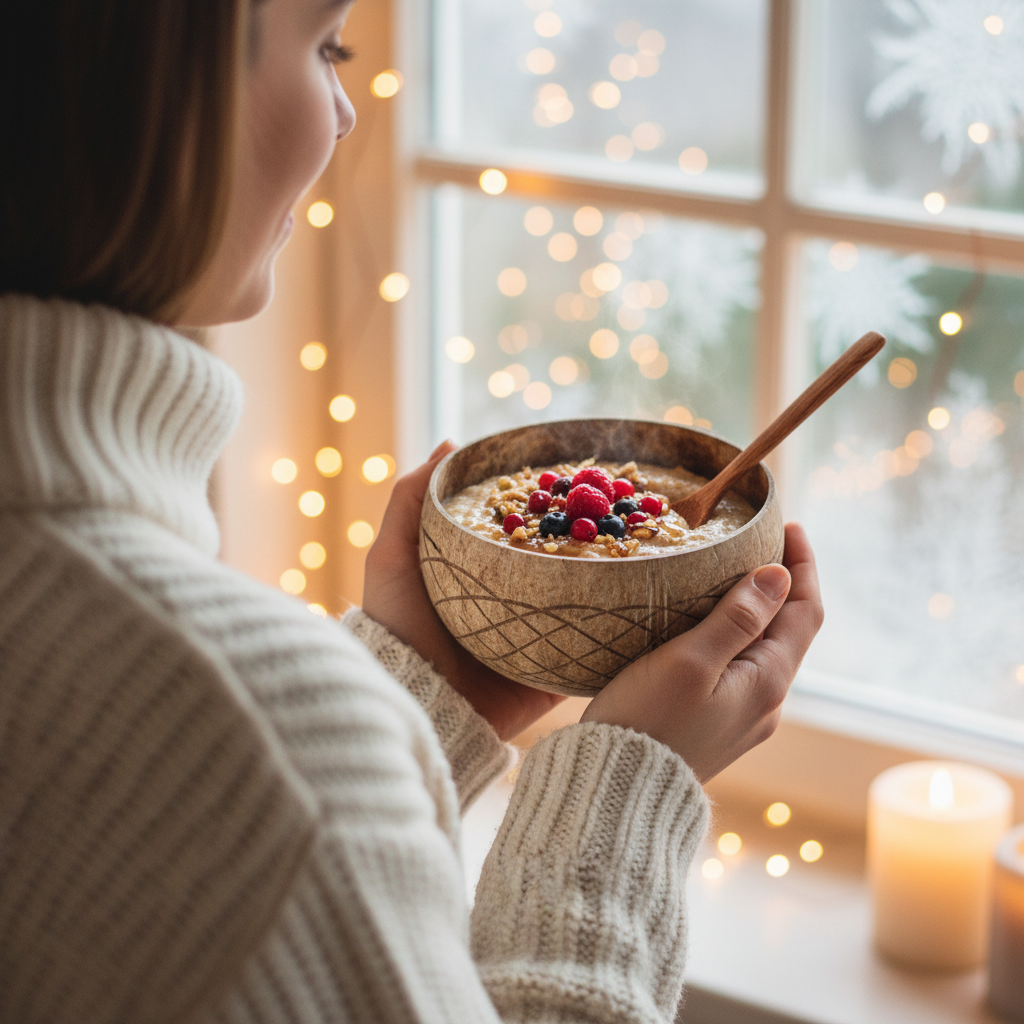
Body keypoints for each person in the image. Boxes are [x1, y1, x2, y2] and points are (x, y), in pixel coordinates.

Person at [0, 0, 824, 1021]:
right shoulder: (265, 748)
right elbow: (265, 815)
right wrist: (627, 786)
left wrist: (418, 697)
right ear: (144, 84)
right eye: (327, 46)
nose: (347, 112)